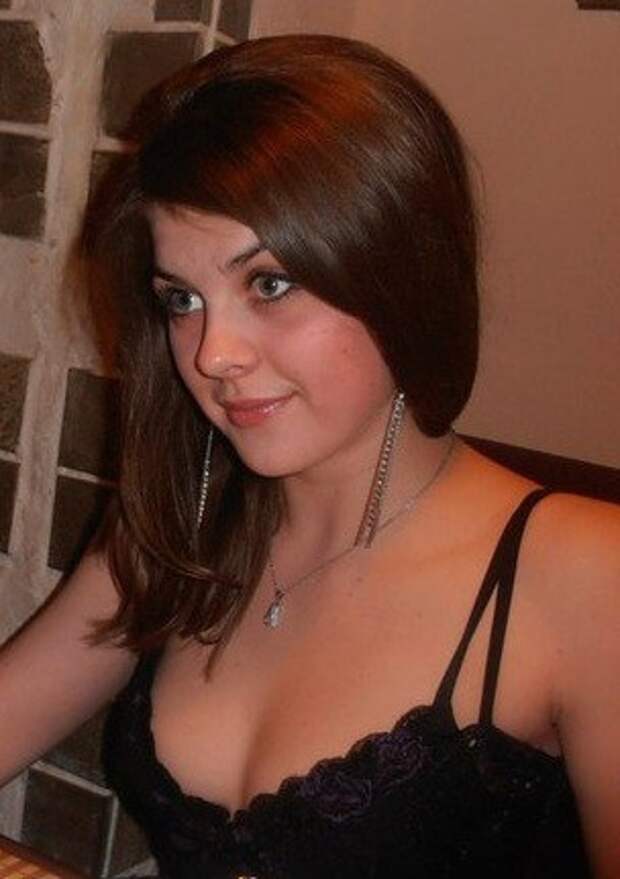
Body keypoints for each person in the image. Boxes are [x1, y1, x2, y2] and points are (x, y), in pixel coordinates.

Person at [1, 33, 619, 879]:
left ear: (400, 271)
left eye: (269, 283)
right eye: (182, 299)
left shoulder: (584, 576)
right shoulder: (179, 523)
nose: (213, 354)